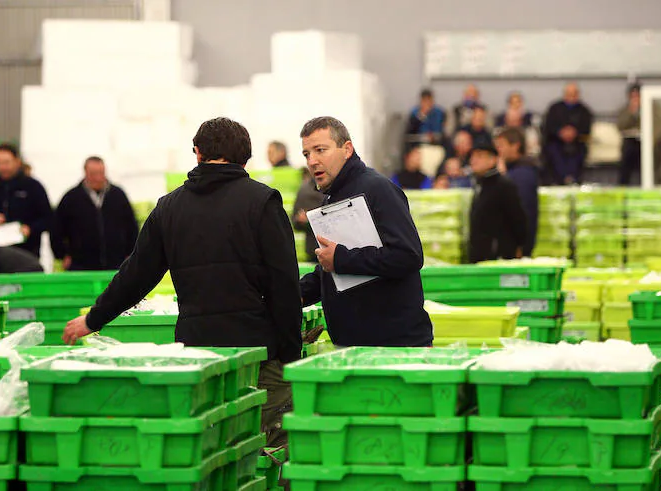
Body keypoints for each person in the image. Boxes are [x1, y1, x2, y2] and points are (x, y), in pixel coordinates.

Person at [62, 118, 302, 447]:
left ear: (198, 153)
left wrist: (94, 319)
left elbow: (136, 275)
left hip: (198, 354)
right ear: (245, 158)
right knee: (266, 453)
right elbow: (285, 283)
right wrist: (290, 353)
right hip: (257, 354)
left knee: (211, 453)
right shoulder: (263, 202)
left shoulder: (169, 208)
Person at [298, 116, 433, 347]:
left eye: (320, 150)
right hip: (354, 344)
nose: (312, 161)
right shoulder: (332, 198)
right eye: (307, 154)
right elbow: (333, 268)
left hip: (394, 346)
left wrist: (340, 258)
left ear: (347, 149)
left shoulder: (377, 189)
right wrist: (295, 294)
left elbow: (407, 255)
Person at [51, 156, 139, 271]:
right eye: (93, 173)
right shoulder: (71, 198)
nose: (98, 178)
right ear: (85, 173)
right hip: (81, 267)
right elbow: (56, 229)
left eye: (101, 173)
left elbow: (132, 226)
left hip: (116, 265)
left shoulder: (118, 195)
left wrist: (131, 253)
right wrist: (62, 255)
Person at [0, 143, 53, 257]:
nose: (2, 167)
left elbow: (48, 218)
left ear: (17, 161)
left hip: (26, 253)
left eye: (6, 162)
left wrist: (30, 228)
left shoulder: (33, 187)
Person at [467, 143, 527, 263]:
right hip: (480, 258)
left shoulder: (504, 185)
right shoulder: (479, 184)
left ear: (493, 160)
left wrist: (519, 247)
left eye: (479, 156)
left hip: (499, 257)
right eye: (472, 156)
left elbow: (518, 219)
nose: (473, 160)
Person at [495, 128, 539, 257]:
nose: (499, 150)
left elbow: (522, 211)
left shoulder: (522, 175)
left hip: (515, 245)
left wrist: (520, 244)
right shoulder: (512, 172)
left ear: (515, 146)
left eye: (501, 145)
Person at [542, 82, 593, 185]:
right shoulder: (554, 108)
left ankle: (572, 180)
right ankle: (563, 180)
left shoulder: (584, 111)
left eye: (574, 94)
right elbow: (547, 126)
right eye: (569, 94)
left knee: (578, 153)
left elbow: (586, 129)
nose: (571, 97)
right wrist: (560, 133)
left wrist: (574, 133)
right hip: (556, 141)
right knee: (554, 152)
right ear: (564, 94)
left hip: (577, 142)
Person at [291, 167, 326, 263]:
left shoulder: (339, 187)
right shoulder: (304, 190)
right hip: (314, 252)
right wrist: (302, 221)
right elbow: (295, 221)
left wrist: (310, 219)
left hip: (336, 250)